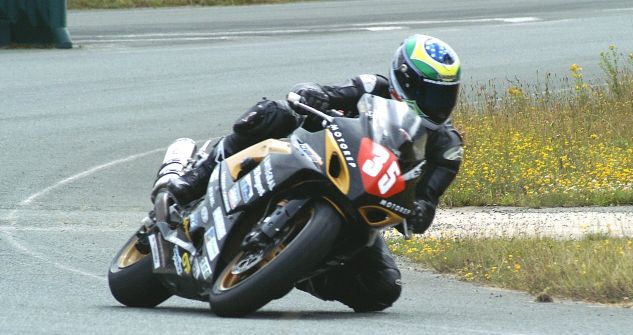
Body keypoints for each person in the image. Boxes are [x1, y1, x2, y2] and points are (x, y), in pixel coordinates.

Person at [154, 34, 463, 312]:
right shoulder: (373, 87)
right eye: (430, 93)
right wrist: (313, 94)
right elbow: (324, 91)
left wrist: (418, 211)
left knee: (383, 288)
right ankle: (193, 180)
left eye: (445, 96)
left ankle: (296, 268)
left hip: (361, 204)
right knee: (275, 113)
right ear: (404, 80)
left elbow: (427, 201)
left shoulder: (447, 146)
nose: (438, 104)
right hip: (313, 156)